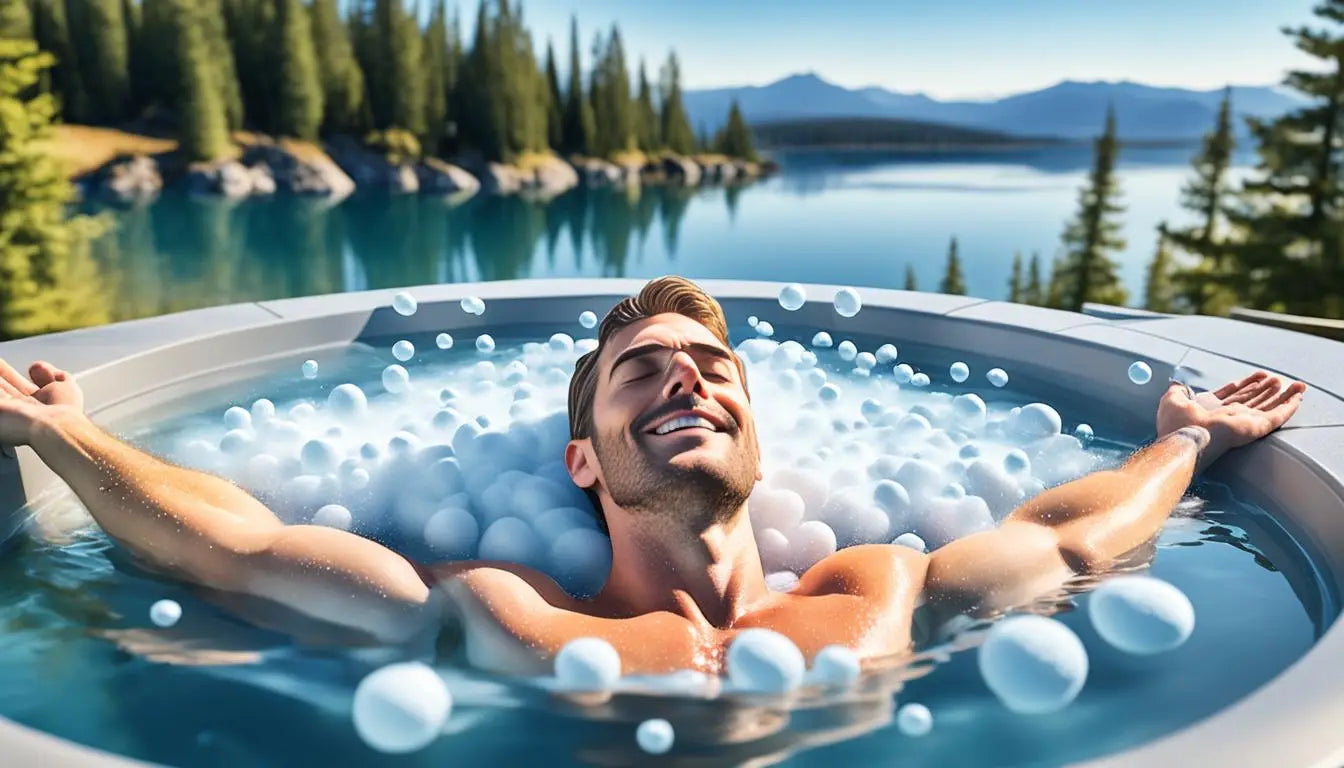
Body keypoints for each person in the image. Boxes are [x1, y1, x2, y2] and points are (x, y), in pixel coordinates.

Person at [0, 277, 1307, 676]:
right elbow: (229, 546)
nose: (687, 379)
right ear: (584, 459)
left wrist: (1187, 437)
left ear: (756, 438)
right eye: (642, 372)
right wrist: (65, 431)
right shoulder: (497, 615)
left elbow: (1072, 540)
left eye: (711, 370)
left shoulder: (880, 589)